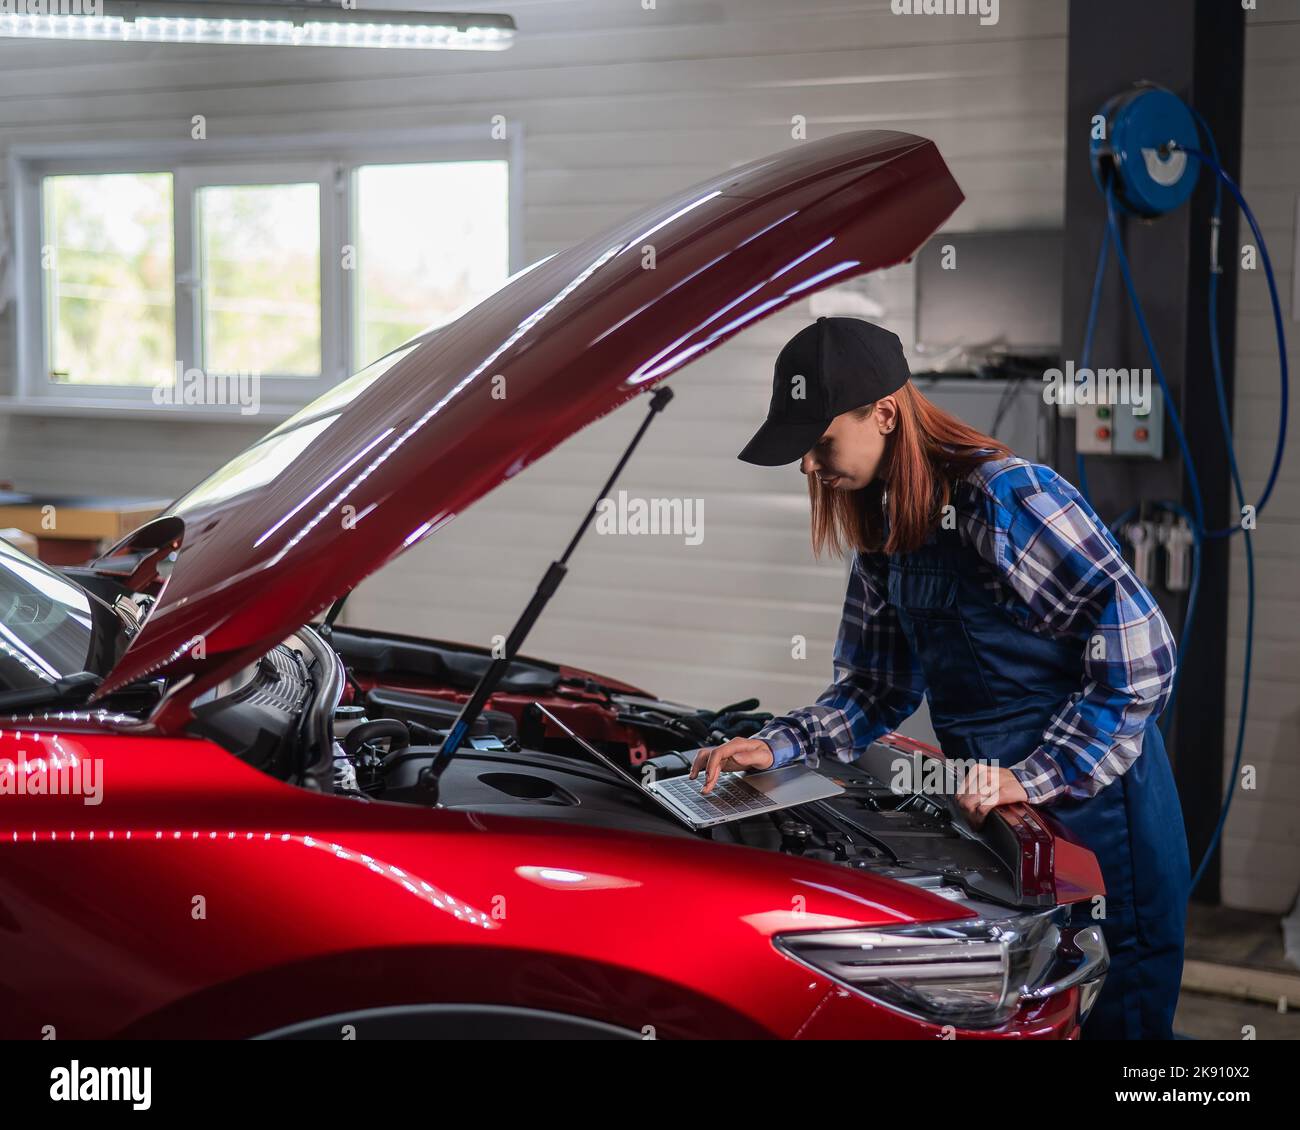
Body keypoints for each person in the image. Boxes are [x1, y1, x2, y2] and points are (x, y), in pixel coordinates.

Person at [690, 316, 1190, 1039]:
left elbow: (1143, 655)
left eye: (821, 442)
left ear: (885, 414)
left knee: (1122, 1022)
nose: (807, 466)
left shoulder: (1008, 501)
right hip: (1004, 815)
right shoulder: (889, 527)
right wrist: (777, 746)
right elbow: (874, 686)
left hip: (1101, 813)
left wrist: (1036, 774)